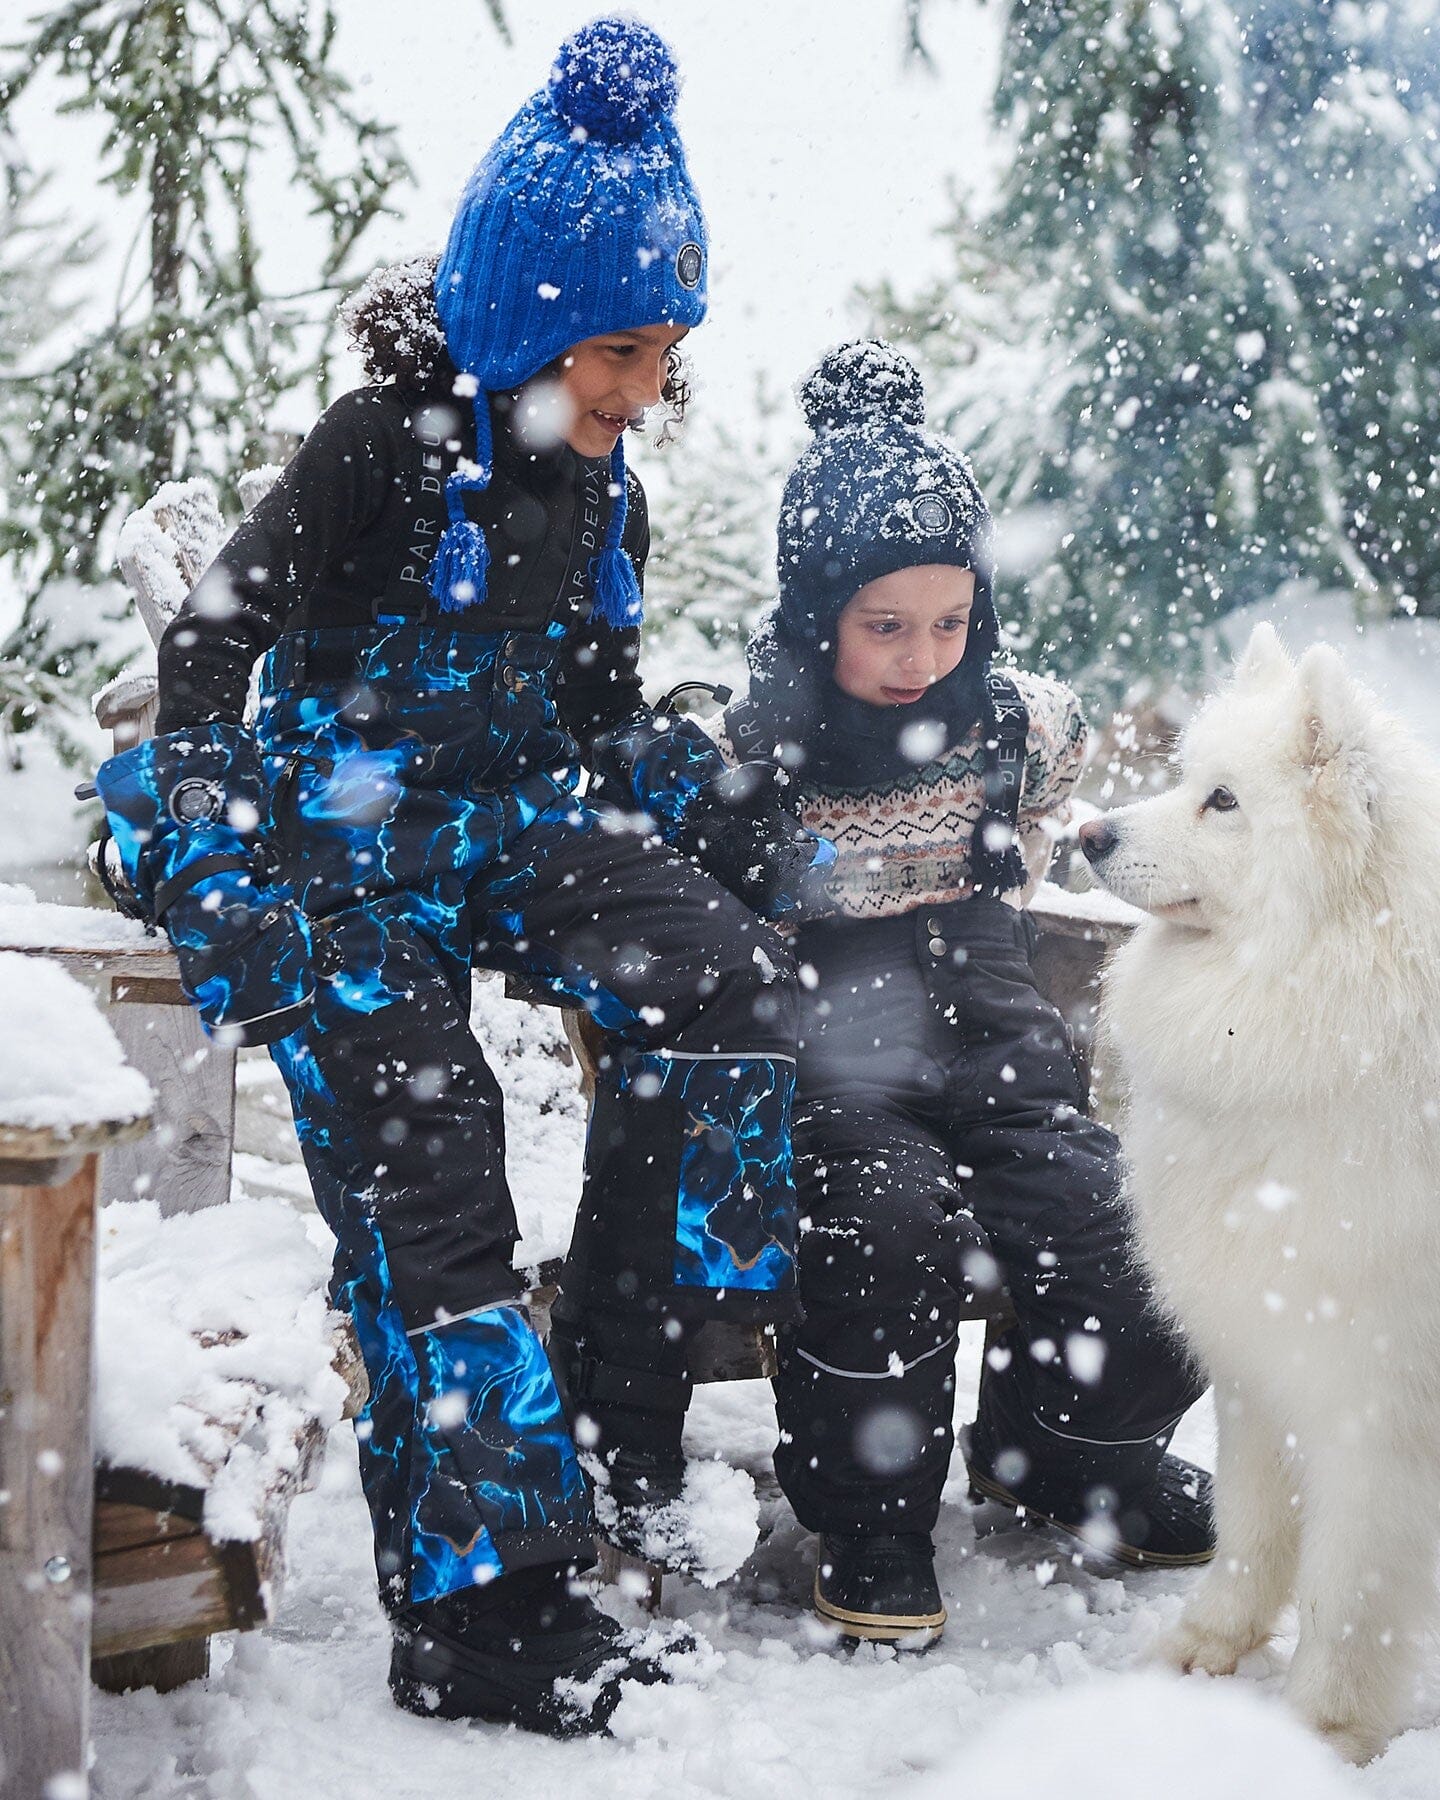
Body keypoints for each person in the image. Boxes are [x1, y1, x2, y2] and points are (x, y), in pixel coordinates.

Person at [94, 18, 828, 1737]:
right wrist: (209, 834)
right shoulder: (379, 447)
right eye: (620, 352)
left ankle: (624, 1400)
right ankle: (478, 1602)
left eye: (663, 353)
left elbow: (588, 706)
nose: (645, 389)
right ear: (524, 319)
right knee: (432, 1161)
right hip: (346, 850)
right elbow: (214, 651)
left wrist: (691, 781)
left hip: (508, 824)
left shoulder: (595, 483)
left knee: (727, 986)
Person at [718, 340, 1213, 1649]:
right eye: (884, 625)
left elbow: (1055, 815)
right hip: (843, 1079)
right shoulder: (765, 745)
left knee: (1131, 1227)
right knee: (884, 1230)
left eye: (951, 622)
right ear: (815, 617)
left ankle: (1061, 1454)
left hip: (1004, 1058)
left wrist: (1027, 842)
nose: (920, 658)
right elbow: (703, 879)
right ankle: (873, 1520)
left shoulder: (1011, 722)